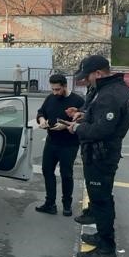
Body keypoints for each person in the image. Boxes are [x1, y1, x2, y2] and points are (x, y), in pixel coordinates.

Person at [63, 55, 129, 257]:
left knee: (101, 201)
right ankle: (102, 237)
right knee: (102, 197)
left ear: (99, 73)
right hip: (102, 153)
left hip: (101, 153)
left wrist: (76, 127)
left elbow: (101, 130)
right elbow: (99, 117)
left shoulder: (110, 94)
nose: (87, 81)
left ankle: (106, 248)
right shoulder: (111, 89)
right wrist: (83, 115)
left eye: (88, 77)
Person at [35, 74, 84, 216]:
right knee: (47, 171)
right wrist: (42, 120)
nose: (55, 93)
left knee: (66, 174)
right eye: (53, 89)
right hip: (51, 142)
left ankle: (67, 204)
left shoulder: (77, 100)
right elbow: (41, 112)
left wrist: (65, 126)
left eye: (57, 89)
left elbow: (85, 119)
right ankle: (50, 203)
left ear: (64, 86)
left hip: (69, 144)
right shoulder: (50, 98)